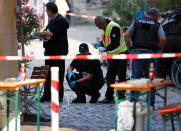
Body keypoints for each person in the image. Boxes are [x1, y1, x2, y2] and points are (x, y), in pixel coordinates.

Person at [124, 7, 166, 108]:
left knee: (135, 77)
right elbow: (163, 38)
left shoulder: (136, 22)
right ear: (156, 16)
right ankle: (150, 104)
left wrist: (130, 49)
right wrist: (160, 50)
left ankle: (133, 101)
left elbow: (126, 35)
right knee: (151, 79)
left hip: (137, 54)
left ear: (147, 14)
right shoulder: (157, 25)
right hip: (151, 55)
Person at [39, 2, 69, 102]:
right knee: (48, 74)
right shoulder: (52, 21)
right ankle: (47, 95)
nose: (46, 12)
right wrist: (41, 34)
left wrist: (40, 33)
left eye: (46, 10)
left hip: (58, 52)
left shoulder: (60, 20)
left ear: (50, 10)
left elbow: (51, 33)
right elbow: (47, 30)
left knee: (58, 74)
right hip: (50, 51)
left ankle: (59, 95)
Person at [94, 16, 128, 103]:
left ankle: (121, 97)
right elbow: (107, 40)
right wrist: (100, 44)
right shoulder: (105, 27)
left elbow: (115, 43)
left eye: (99, 26)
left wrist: (105, 49)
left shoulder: (114, 27)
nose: (98, 28)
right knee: (110, 77)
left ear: (104, 23)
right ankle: (109, 97)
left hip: (121, 54)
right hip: (112, 55)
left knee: (121, 77)